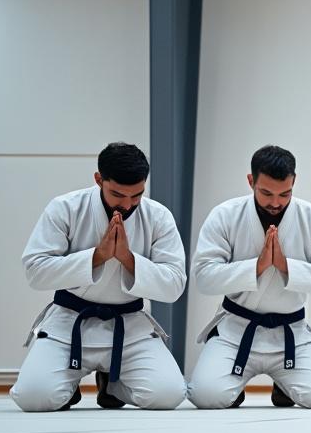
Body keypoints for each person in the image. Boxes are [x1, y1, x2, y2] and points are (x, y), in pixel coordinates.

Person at [11, 142, 188, 411]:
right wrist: (97, 257)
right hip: (70, 322)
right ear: (98, 179)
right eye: (118, 194)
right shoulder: (65, 208)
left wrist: (127, 259)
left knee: (168, 395)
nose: (128, 204)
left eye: (137, 195)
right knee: (34, 397)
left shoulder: (158, 216)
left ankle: (112, 382)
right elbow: (35, 271)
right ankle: (68, 389)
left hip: (128, 324)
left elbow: (175, 284)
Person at [187, 145, 311, 409]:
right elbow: (204, 277)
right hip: (236, 330)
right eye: (266, 193)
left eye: (285, 193)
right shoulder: (225, 215)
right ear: (251, 181)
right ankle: (233, 387)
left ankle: (285, 385)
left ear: (294, 182)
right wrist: (256, 268)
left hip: (291, 333)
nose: (276, 202)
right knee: (206, 396)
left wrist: (286, 267)